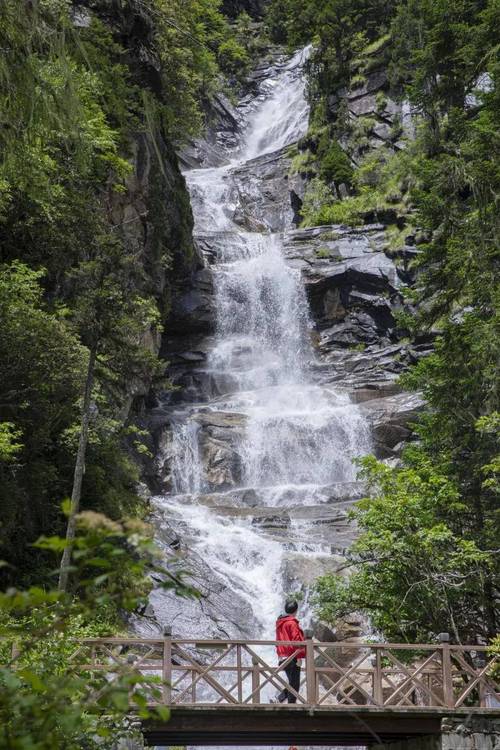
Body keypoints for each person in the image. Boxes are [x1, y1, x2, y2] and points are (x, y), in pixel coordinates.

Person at [274, 599, 306, 704]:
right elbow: (296, 640)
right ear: (296, 610)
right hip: (292, 656)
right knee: (294, 685)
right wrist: (300, 655)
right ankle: (288, 705)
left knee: (292, 683)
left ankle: (279, 699)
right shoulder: (291, 623)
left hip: (282, 656)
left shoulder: (280, 623)